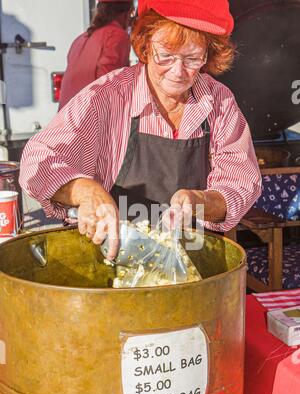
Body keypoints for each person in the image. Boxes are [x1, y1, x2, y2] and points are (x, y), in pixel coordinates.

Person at [20, 0, 261, 261]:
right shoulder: (108, 97)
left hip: (192, 268)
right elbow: (37, 161)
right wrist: (85, 191)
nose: (178, 72)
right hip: (111, 266)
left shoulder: (219, 101)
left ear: (209, 55)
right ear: (146, 45)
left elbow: (241, 183)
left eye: (192, 58)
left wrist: (200, 202)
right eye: (166, 55)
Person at [58, 0, 133, 110]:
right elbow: (110, 81)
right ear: (127, 13)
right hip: (90, 115)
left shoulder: (81, 38)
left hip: (67, 117)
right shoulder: (117, 35)